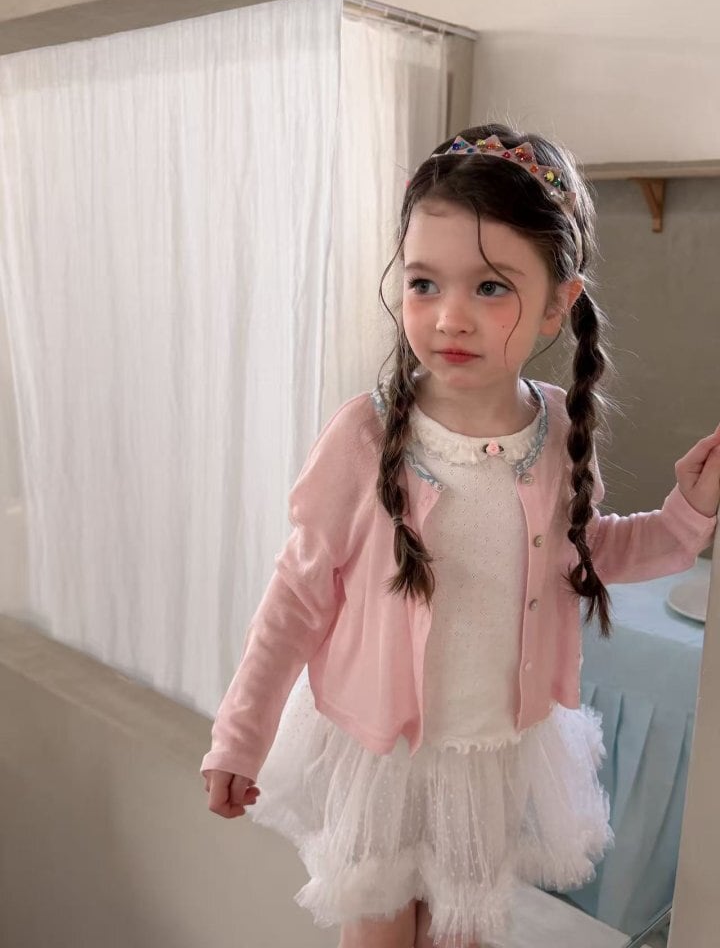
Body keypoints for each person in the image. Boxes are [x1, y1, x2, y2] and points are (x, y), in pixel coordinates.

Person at [200, 123, 720, 948]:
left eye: (489, 287)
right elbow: (295, 596)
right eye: (423, 283)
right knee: (377, 933)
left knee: (462, 935)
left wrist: (685, 514)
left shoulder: (556, 429)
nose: (449, 316)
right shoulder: (365, 436)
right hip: (383, 754)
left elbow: (590, 553)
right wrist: (240, 734)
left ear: (557, 303)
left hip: (489, 754)